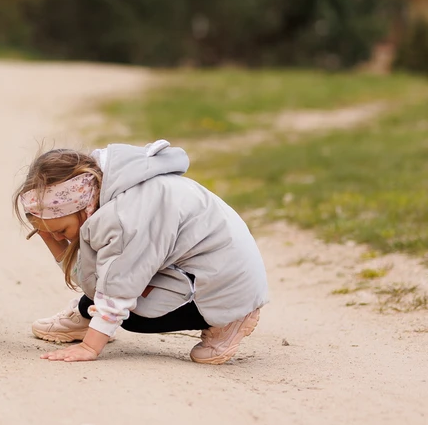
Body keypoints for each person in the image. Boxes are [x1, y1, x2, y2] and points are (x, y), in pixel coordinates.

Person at [16, 140, 268, 364]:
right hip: (206, 271)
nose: (60, 238)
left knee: (132, 316)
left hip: (225, 288)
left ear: (81, 205)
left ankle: (229, 319)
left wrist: (91, 347)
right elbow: (100, 270)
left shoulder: (124, 217)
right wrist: (51, 236)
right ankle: (88, 315)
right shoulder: (114, 189)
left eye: (61, 230)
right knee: (110, 282)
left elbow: (119, 285)